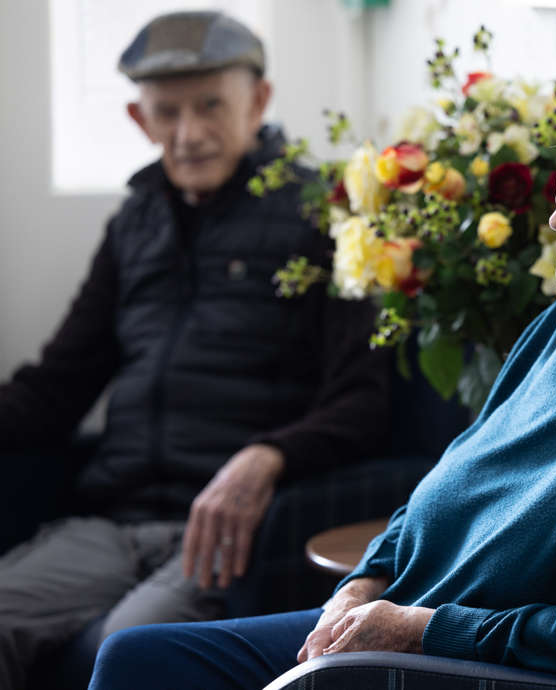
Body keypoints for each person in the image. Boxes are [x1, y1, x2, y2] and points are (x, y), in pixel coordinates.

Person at [88, 57, 556, 688]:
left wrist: (412, 630)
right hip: (397, 628)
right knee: (137, 658)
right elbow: (453, 473)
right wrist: (365, 581)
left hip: (461, 665)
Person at [0, 11, 390, 690]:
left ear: (258, 101)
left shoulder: (320, 216)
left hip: (221, 536)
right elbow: (57, 386)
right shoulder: (134, 223)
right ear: (138, 118)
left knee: (126, 652)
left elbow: (366, 397)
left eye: (211, 105)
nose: (189, 133)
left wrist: (269, 456)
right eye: (167, 113)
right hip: (107, 521)